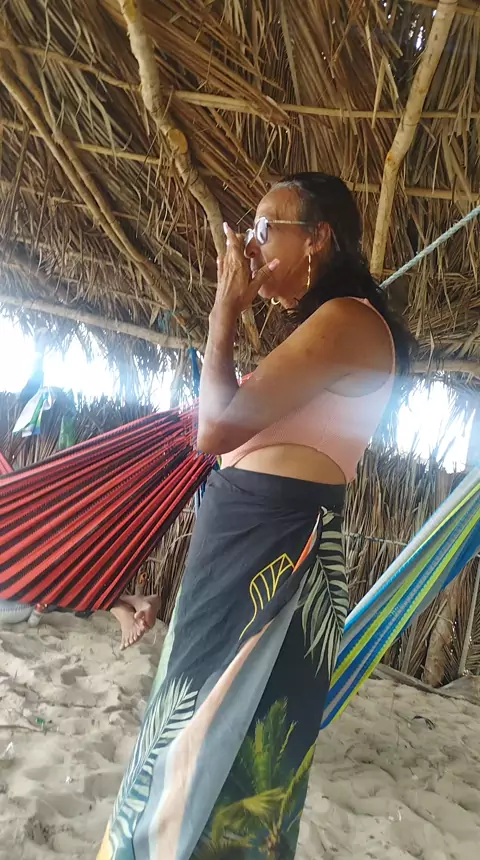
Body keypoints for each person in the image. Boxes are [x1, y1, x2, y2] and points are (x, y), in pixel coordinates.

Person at [97, 172, 413, 860]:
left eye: (268, 228)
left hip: (278, 555)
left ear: (317, 239)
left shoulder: (348, 321)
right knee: (193, 730)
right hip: (254, 547)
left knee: (233, 743)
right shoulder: (332, 325)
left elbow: (213, 429)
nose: (251, 242)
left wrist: (224, 312)